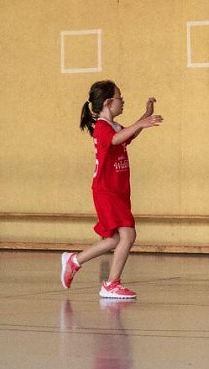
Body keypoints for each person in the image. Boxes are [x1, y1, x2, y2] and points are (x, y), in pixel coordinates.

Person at [61, 80, 163, 299]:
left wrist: (144, 116)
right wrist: (141, 124)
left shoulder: (113, 126)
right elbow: (116, 139)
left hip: (117, 190)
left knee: (116, 239)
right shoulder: (102, 128)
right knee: (129, 234)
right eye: (120, 98)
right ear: (108, 102)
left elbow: (127, 136)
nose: (123, 101)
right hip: (106, 190)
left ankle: (75, 260)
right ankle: (111, 284)